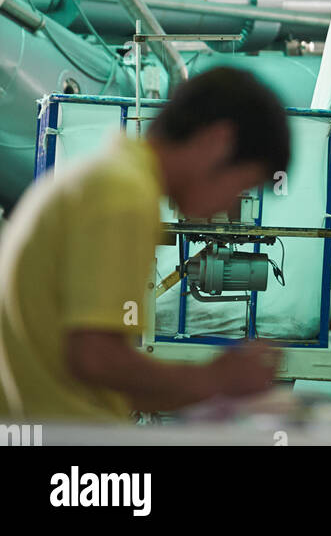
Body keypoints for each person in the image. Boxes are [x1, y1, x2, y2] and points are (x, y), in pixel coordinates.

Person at [0, 65, 290, 420]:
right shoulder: (123, 196)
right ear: (217, 143)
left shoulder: (102, 178)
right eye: (242, 185)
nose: (231, 207)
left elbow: (103, 370)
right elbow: (96, 358)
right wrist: (217, 378)